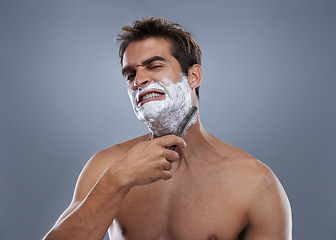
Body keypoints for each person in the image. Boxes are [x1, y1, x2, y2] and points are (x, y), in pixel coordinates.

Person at [44, 17, 292, 240]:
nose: (139, 80)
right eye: (130, 74)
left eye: (154, 66)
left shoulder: (255, 182)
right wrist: (118, 179)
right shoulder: (107, 166)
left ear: (193, 77)